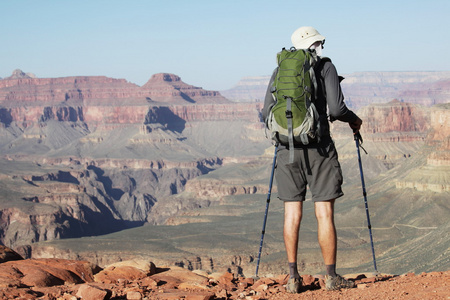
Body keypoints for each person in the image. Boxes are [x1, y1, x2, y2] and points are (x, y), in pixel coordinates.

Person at [262, 26, 362, 293]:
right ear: (318, 43)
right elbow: (337, 109)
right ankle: (330, 277)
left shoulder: (280, 69)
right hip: (319, 149)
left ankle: (293, 278)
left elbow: (265, 112)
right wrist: (355, 120)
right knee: (324, 213)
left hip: (286, 150)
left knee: (292, 213)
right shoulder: (325, 67)